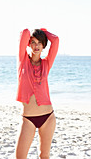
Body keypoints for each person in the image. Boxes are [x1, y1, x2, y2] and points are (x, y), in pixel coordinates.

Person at [15, 28, 59, 159]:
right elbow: (24, 33)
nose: (37, 46)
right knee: (20, 157)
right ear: (28, 44)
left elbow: (56, 40)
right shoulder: (22, 61)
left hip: (48, 117)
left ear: (44, 45)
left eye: (40, 43)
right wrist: (35, 33)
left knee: (44, 155)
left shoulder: (47, 63)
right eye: (33, 42)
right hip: (28, 119)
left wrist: (44, 31)